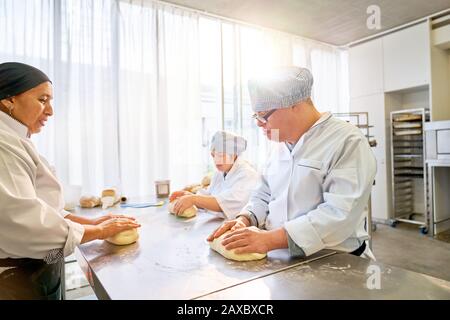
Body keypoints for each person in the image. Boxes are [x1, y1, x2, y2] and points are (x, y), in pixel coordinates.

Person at [0, 62, 140, 299]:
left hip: (43, 262)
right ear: (8, 100)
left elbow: (45, 209)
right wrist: (98, 230)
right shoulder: (3, 145)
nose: (50, 111)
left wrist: (90, 222)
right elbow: (24, 222)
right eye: (42, 100)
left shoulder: (17, 139)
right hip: (16, 276)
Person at [207, 66, 377, 259]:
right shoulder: (279, 145)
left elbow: (339, 214)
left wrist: (270, 240)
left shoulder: (347, 141)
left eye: (263, 115)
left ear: (295, 104)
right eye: (256, 116)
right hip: (282, 257)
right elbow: (263, 193)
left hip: (336, 260)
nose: (258, 123)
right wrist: (245, 218)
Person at [170, 130, 260, 219]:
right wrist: (188, 195)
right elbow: (209, 196)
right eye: (213, 156)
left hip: (236, 227)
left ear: (233, 154)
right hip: (215, 223)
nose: (216, 160)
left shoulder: (247, 175)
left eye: (220, 155)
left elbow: (224, 203)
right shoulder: (220, 172)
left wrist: (193, 199)